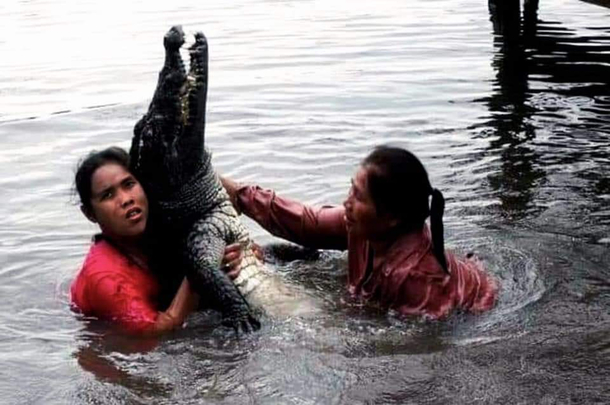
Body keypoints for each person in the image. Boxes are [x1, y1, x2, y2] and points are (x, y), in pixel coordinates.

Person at [221, 145, 498, 319]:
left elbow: (405, 348)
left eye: (358, 196)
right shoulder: (362, 226)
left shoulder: (419, 280)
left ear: (390, 218)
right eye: (350, 189)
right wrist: (235, 192)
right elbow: (303, 222)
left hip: (471, 310)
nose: (347, 202)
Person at [70, 146, 246, 335]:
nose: (126, 199)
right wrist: (205, 265)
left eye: (129, 184)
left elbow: (242, 247)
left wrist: (227, 257)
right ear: (90, 214)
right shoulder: (106, 278)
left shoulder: (159, 224)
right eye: (108, 195)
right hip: (109, 326)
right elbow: (159, 330)